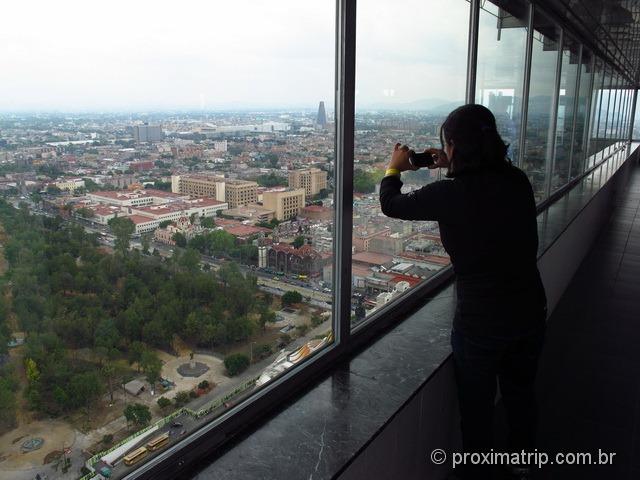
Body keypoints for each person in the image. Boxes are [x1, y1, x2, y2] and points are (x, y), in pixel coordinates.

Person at [379, 104, 546, 480]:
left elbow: (391, 204)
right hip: (530, 310)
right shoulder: (517, 180)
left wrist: (395, 167)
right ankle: (523, 466)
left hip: (481, 322)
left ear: (452, 146)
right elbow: (486, 190)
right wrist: (450, 163)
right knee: (521, 396)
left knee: (477, 412)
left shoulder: (450, 194)